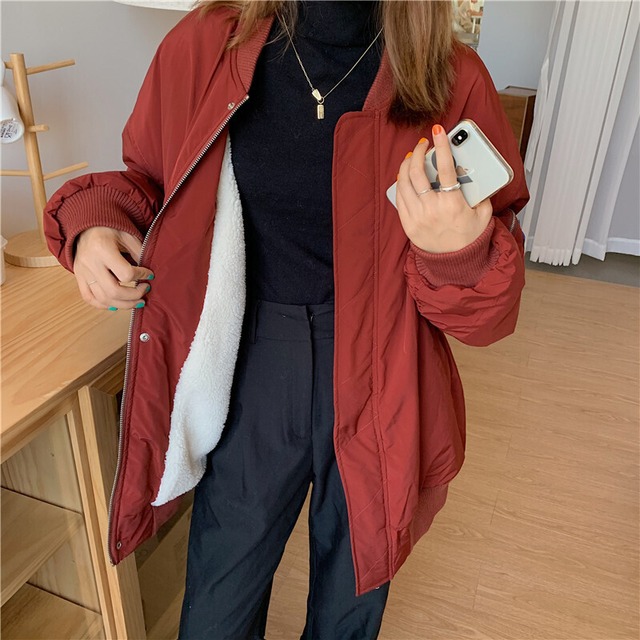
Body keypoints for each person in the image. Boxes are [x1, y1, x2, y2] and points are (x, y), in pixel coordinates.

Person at [43, 1, 529, 638]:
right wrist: (95, 224)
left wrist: (457, 252)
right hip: (250, 358)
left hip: (385, 368)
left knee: (351, 598)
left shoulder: (451, 76)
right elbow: (156, 181)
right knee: (218, 602)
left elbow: (491, 309)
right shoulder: (203, 45)